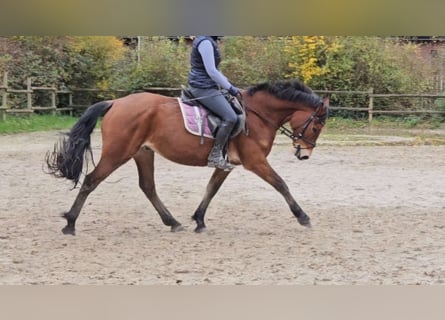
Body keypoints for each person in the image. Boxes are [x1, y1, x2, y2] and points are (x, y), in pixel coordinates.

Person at [187, 36, 240, 171]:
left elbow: (215, 71)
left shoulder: (209, 41)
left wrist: (228, 84)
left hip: (207, 85)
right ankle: (215, 156)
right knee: (230, 117)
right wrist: (230, 88)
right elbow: (211, 71)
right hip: (203, 87)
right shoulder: (205, 42)